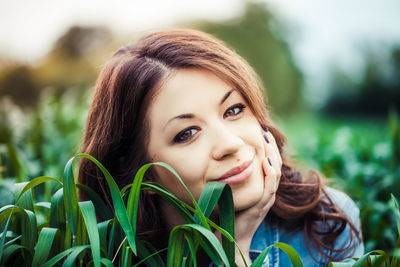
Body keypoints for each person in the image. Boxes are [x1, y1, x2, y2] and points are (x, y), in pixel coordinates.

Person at [78, 29, 364, 266]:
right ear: (138, 171)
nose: (229, 144)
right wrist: (235, 248)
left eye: (234, 110)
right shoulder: (107, 253)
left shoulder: (327, 221)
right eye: (187, 133)